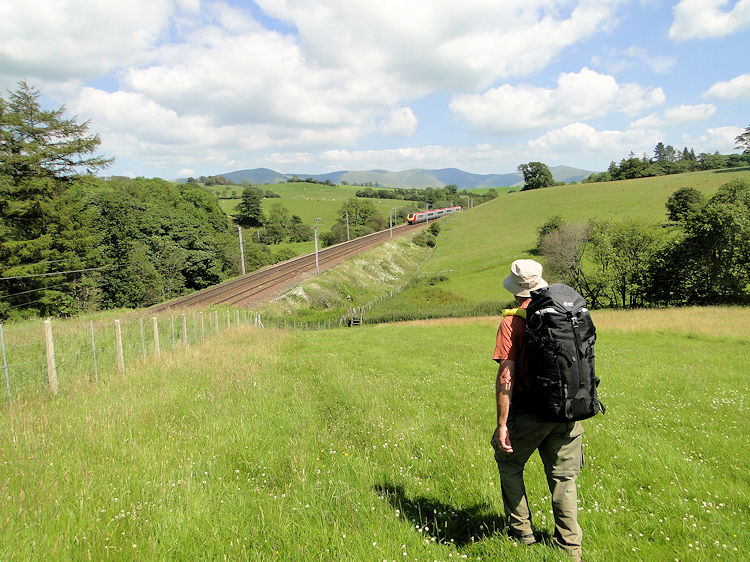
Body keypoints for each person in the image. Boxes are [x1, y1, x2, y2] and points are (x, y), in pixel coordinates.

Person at [491, 259, 584, 561]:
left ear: (515, 288)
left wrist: (502, 424)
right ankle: (570, 549)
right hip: (568, 409)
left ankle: (522, 535)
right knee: (563, 478)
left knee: (507, 460)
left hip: (531, 411)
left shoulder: (512, 321)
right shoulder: (565, 314)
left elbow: (507, 374)